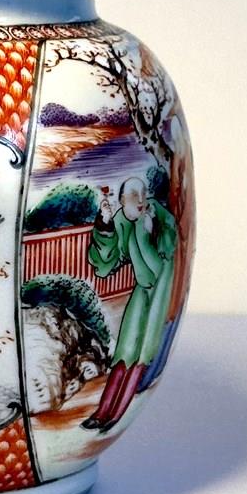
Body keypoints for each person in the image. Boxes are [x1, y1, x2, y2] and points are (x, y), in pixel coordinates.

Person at [81, 178, 176, 432]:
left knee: (142, 353)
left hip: (159, 291)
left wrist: (145, 235)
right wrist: (105, 226)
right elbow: (107, 264)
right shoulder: (124, 218)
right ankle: (102, 412)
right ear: (123, 201)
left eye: (142, 198)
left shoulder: (157, 217)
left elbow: (156, 269)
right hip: (142, 292)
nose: (140, 204)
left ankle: (117, 414)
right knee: (125, 351)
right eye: (134, 200)